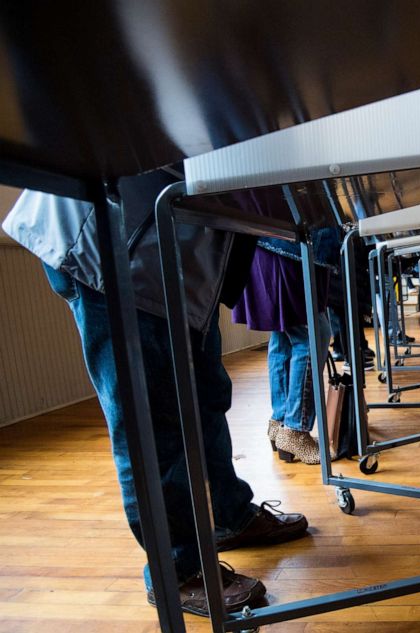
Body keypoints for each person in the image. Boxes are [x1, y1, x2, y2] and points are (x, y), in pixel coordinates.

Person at [2, 170, 309, 617]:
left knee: (206, 395)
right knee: (149, 423)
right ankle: (177, 572)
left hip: (170, 250)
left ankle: (229, 515)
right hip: (112, 244)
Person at [233, 228, 340, 465]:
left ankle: (280, 423)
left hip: (266, 240)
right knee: (312, 331)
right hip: (290, 244)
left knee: (284, 333)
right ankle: (295, 430)